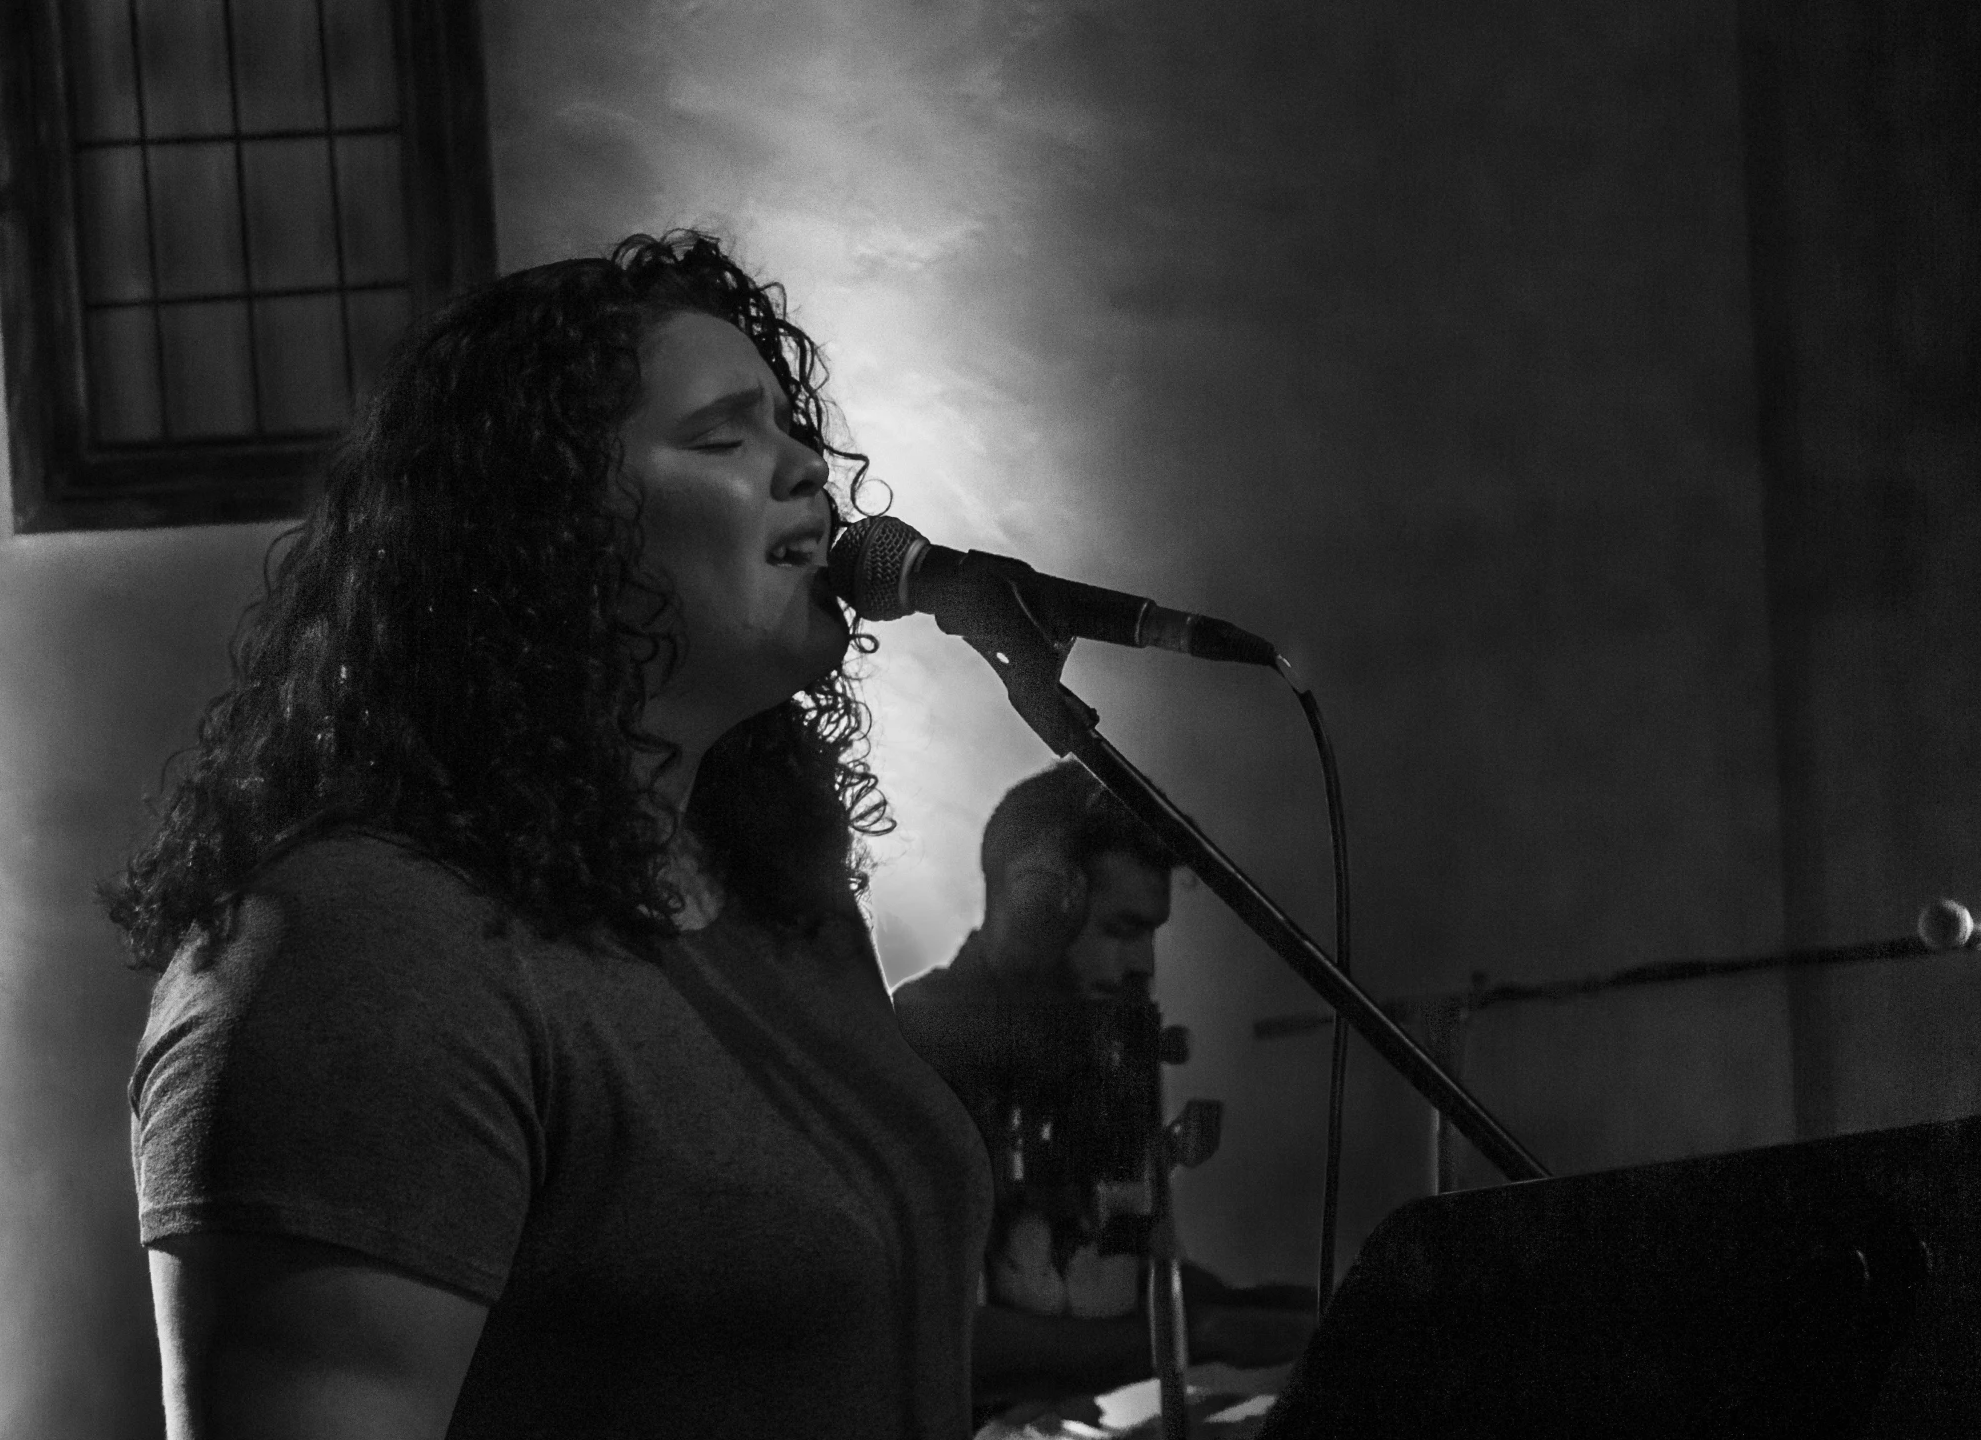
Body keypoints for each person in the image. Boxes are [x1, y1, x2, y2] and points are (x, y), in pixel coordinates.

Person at [106, 232, 991, 1439]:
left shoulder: (780, 893)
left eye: (792, 427)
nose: (804, 469)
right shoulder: (356, 955)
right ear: (546, 531)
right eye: (723, 437)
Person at [895, 764, 1315, 1418]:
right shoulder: (923, 1040)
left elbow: (1117, 1281)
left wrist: (1264, 1308)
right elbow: (946, 1336)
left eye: (1150, 933)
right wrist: (1196, 1332)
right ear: (1031, 905)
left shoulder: (1112, 1036)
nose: (1144, 964)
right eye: (1121, 930)